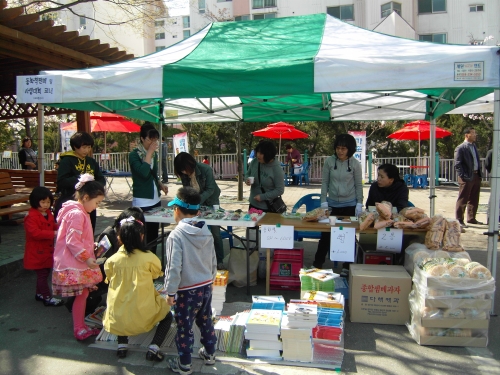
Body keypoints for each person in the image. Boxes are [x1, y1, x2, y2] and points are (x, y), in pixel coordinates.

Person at [103, 216, 173, 361]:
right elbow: (156, 273)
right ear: (141, 237)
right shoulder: (149, 257)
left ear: (120, 238)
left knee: (120, 309)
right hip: (143, 310)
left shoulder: (112, 260)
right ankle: (154, 347)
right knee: (167, 316)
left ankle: (122, 346)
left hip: (118, 315)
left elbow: (108, 278)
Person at [164, 187, 217, 374]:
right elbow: (213, 260)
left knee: (184, 327)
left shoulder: (176, 235)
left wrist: (170, 292)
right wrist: (210, 279)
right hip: (205, 286)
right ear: (198, 211)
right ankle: (210, 353)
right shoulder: (206, 230)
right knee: (206, 320)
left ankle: (184, 364)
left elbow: (173, 267)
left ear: (177, 210)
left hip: (186, 290)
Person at [65, 207, 147, 315]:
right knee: (88, 303)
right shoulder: (109, 235)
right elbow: (99, 259)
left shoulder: (134, 234)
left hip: (119, 269)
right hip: (103, 272)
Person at [52, 174, 105, 341]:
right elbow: (72, 241)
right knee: (81, 295)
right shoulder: (78, 214)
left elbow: (77, 239)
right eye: (96, 203)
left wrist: (91, 248)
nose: (96, 207)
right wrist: (87, 257)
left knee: (82, 295)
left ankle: (80, 325)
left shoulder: (79, 212)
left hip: (76, 260)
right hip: (75, 262)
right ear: (86, 197)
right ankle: (79, 328)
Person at [313, 134, 363, 269]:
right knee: (326, 236)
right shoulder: (329, 162)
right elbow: (325, 182)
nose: (340, 151)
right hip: (332, 205)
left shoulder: (355, 164)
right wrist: (323, 201)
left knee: (349, 236)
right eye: (338, 148)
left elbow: (359, 185)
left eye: (344, 149)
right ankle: (317, 264)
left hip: (350, 205)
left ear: (350, 149)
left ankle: (348, 267)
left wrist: (359, 203)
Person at [174, 152, 224, 269]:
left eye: (184, 170)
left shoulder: (205, 169)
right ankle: (200, 260)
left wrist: (197, 201)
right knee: (195, 229)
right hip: (195, 204)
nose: (184, 173)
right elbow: (186, 191)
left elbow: (211, 189)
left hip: (211, 201)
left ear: (190, 164)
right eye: (181, 171)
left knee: (216, 233)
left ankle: (219, 260)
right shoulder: (184, 174)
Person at [54, 132, 106, 233]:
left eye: (89, 147)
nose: (87, 150)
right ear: (75, 146)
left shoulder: (91, 161)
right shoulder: (67, 160)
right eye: (84, 147)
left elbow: (101, 178)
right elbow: (61, 182)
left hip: (90, 202)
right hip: (71, 201)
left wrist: (96, 186)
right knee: (73, 232)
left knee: (88, 232)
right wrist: (80, 178)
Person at [129, 123, 168, 254]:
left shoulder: (154, 155)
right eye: (149, 139)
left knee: (153, 233)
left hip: (155, 198)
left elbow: (153, 173)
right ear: (142, 138)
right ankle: (142, 263)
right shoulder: (134, 155)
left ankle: (153, 262)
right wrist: (149, 153)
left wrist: (160, 183)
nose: (153, 142)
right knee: (142, 234)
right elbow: (143, 173)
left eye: (155, 139)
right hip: (142, 200)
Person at [23, 186, 63, 307]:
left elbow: (52, 225)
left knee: (44, 273)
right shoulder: (31, 216)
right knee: (42, 275)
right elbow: (35, 233)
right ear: (35, 201)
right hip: (37, 251)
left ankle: (39, 293)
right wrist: (54, 233)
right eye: (43, 202)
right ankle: (47, 297)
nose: (46, 205)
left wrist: (60, 226)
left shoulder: (47, 213)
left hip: (46, 250)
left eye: (48, 202)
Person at [454, 127, 484, 228]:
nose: (475, 135)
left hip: (476, 175)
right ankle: (459, 219)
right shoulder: (461, 148)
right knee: (463, 198)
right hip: (466, 177)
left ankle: (471, 218)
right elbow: (457, 164)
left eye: (475, 132)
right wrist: (463, 176)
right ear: (467, 135)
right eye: (473, 133)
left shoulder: (474, 147)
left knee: (474, 198)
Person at [245, 140, 285, 212]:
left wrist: (263, 197)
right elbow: (247, 174)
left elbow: (280, 190)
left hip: (268, 207)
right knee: (251, 223)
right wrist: (246, 180)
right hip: (253, 204)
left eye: (261, 153)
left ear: (268, 154)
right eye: (257, 152)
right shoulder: (255, 162)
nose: (258, 155)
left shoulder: (276, 169)